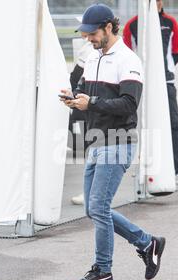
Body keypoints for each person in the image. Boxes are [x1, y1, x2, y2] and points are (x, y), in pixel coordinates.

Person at [60, 4, 166, 280]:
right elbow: (90, 96)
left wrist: (91, 103)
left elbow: (129, 104)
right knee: (94, 210)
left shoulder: (128, 59)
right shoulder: (94, 57)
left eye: (92, 33)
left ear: (108, 27)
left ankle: (103, 272)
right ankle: (147, 242)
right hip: (97, 141)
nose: (88, 39)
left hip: (118, 141)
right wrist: (74, 98)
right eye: (85, 34)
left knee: (98, 207)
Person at [123, 0, 178, 185]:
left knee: (173, 125)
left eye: (159, 0)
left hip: (166, 82)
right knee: (141, 125)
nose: (157, 3)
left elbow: (177, 51)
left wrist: (162, 73)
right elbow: (127, 53)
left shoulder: (170, 22)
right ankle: (145, 167)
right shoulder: (132, 25)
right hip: (140, 84)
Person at [69, 37, 94, 206]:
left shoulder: (89, 48)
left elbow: (77, 75)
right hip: (85, 103)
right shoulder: (88, 46)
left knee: (90, 148)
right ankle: (91, 192)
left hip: (86, 104)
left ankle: (91, 193)